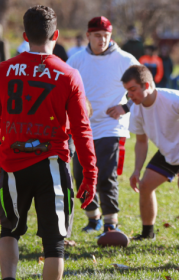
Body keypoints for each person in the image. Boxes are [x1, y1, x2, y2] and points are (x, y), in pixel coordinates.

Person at [0, 5, 97, 280]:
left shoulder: (3, 70)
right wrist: (90, 174)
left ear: (24, 35)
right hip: (52, 166)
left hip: (12, 163)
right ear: (56, 35)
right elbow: (81, 129)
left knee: (9, 232)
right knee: (54, 245)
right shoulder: (69, 74)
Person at [124, 65, 179, 247]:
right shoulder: (136, 109)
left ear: (147, 85)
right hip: (169, 150)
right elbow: (141, 142)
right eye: (127, 91)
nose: (130, 95)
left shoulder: (174, 98)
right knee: (146, 184)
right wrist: (136, 170)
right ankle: (147, 233)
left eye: (133, 89)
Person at [67, 16, 140, 233]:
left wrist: (124, 108)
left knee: (106, 174)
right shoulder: (76, 60)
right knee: (80, 176)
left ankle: (111, 225)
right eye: (98, 36)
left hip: (111, 125)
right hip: (82, 127)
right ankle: (94, 216)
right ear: (88, 35)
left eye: (106, 36)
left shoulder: (126, 60)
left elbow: (146, 88)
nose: (102, 40)